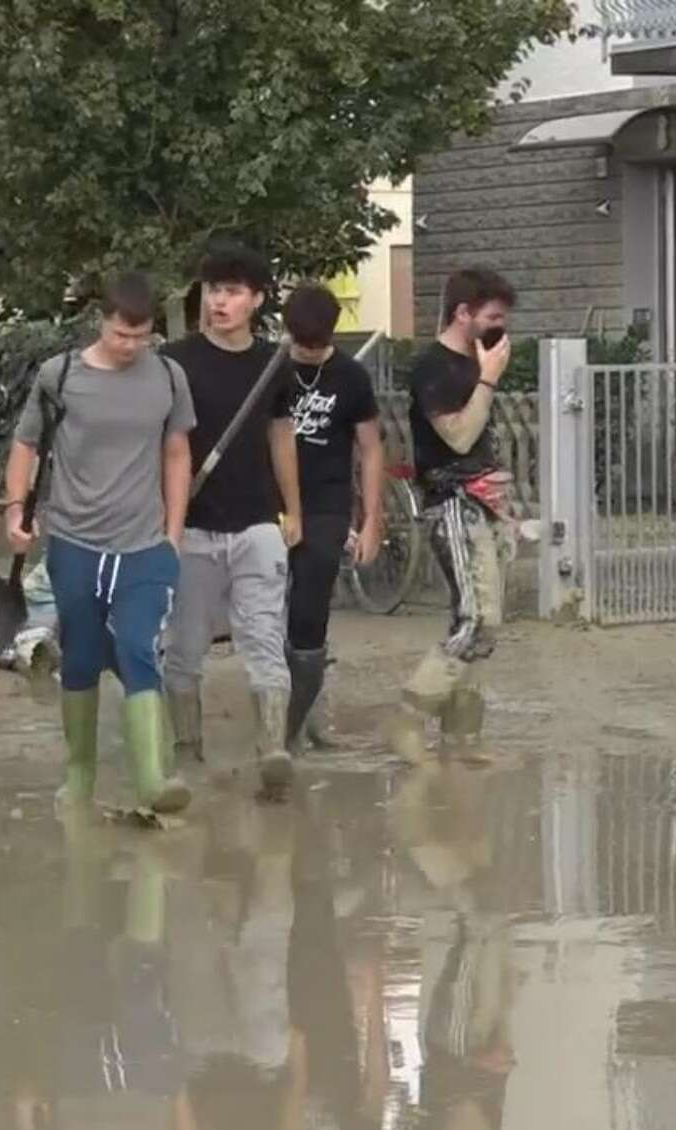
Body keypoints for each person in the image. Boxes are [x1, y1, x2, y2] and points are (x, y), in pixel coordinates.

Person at [6, 272, 195, 815]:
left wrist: (174, 534)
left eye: (140, 337)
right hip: (74, 541)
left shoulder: (168, 376)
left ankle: (153, 780)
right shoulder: (59, 375)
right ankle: (80, 772)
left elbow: (177, 453)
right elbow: (26, 445)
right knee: (84, 655)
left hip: (144, 545)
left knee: (138, 646)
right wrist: (15, 509)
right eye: (119, 335)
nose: (130, 346)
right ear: (102, 321)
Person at [161, 242, 303, 796]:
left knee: (265, 635)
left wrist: (292, 508)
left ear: (257, 300)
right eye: (214, 290)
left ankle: (272, 747)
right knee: (185, 645)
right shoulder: (175, 362)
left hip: (257, 525)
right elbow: (161, 442)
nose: (220, 302)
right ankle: (186, 750)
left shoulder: (275, 362)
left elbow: (281, 436)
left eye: (233, 292)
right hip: (190, 527)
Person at [383, 267, 516, 768]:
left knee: (485, 623)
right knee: (475, 619)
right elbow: (457, 437)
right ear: (464, 313)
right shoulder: (434, 368)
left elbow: (481, 442)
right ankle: (408, 717)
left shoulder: (474, 361)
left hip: (486, 504)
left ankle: (462, 738)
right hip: (452, 502)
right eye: (492, 318)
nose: (500, 329)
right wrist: (487, 379)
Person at [278, 282, 383, 753]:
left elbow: (371, 448)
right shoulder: (271, 370)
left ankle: (302, 717)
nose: (310, 352)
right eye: (303, 343)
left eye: (318, 344)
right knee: (263, 607)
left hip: (327, 504)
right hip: (269, 501)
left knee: (310, 607)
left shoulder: (352, 378)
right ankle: (273, 712)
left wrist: (373, 518)